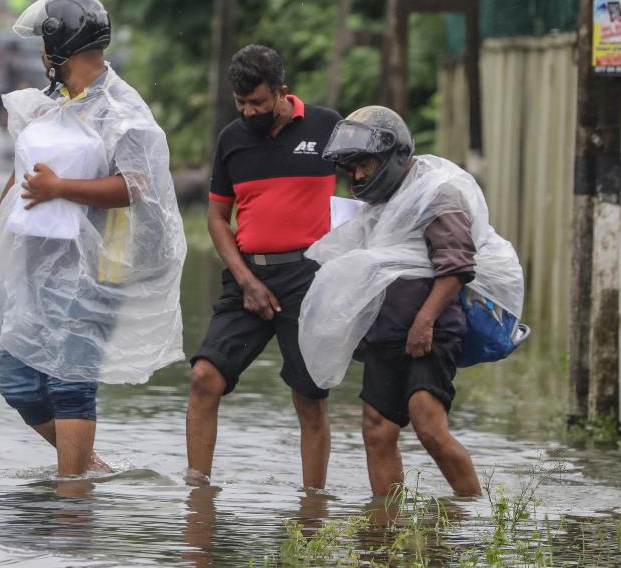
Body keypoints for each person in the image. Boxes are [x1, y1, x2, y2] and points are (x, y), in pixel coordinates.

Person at [0, 0, 185, 477]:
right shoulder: (52, 104)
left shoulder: (121, 110)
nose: (40, 55)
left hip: (97, 264)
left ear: (60, 48)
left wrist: (62, 188)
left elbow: (137, 185)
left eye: (44, 44)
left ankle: (71, 498)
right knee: (17, 380)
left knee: (70, 382)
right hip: (33, 263)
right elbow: (23, 178)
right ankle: (87, 467)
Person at [298, 106, 523, 498]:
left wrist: (425, 320)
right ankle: (387, 525)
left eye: (364, 164)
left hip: (431, 329)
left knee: (429, 425)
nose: (358, 175)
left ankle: (472, 514)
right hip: (387, 332)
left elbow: (456, 266)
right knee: (376, 429)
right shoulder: (376, 208)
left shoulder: (436, 194)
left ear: (394, 155)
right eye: (351, 168)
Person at [184, 44, 342, 490]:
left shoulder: (328, 127)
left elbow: (371, 184)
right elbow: (217, 218)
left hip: (309, 278)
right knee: (203, 376)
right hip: (246, 276)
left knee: (309, 398)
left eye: (257, 102)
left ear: (281, 91)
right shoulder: (231, 140)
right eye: (240, 103)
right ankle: (198, 496)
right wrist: (245, 280)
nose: (248, 111)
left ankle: (313, 505)